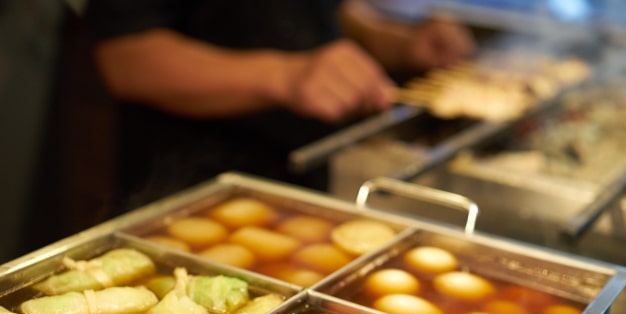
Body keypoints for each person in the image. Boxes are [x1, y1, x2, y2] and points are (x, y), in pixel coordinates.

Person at [84, 0, 474, 214]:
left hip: (302, 180)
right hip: (188, 191)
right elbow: (126, 59)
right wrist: (287, 75)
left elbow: (328, 12)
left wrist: (400, 42)